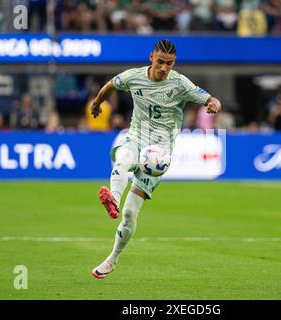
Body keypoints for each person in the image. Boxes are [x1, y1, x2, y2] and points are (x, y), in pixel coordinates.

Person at [89, 39, 222, 279]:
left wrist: (213, 104)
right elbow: (110, 84)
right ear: (151, 57)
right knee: (123, 158)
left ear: (174, 63)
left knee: (130, 214)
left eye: (169, 64)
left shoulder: (180, 83)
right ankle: (113, 200)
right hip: (137, 136)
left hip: (159, 154)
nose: (163, 68)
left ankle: (112, 259)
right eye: (160, 62)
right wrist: (97, 103)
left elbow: (210, 99)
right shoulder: (134, 77)